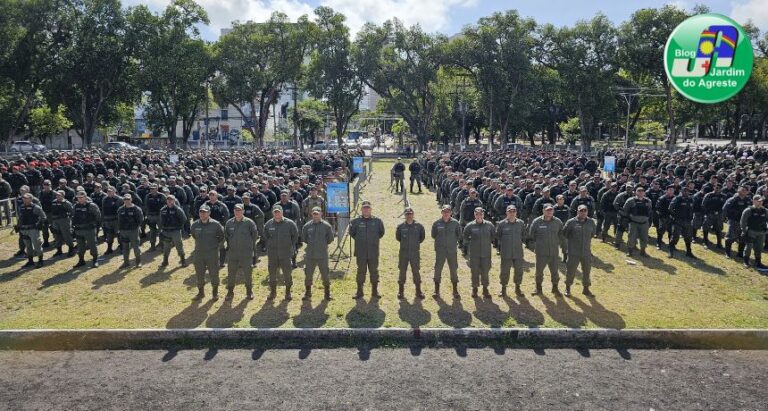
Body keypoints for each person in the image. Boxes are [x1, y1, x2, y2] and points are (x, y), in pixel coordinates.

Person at [349, 200, 385, 299]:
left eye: (368, 208)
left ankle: (375, 291)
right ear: (361, 209)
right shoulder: (355, 221)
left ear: (371, 209)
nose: (366, 210)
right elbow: (352, 233)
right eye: (364, 208)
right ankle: (359, 291)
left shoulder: (377, 221)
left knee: (374, 271)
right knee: (361, 271)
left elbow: (381, 233)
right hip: (361, 252)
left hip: (373, 251)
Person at [225, 203, 260, 300]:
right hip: (233, 253)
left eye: (239, 210)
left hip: (246, 252)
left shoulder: (249, 222)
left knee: (247, 272)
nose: (237, 212)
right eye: (236, 210)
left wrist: (249, 247)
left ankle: (249, 291)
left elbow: (254, 235)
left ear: (243, 211)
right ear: (233, 211)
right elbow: (227, 236)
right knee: (231, 272)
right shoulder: (229, 223)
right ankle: (230, 291)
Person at [528, 204, 564, 295]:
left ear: (553, 211)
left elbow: (561, 235)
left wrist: (560, 244)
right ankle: (538, 289)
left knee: (555, 271)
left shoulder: (557, 222)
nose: (549, 212)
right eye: (547, 210)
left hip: (554, 252)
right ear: (543, 211)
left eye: (551, 210)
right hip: (541, 252)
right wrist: (535, 248)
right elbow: (531, 236)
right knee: (539, 271)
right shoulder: (537, 222)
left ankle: (555, 288)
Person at [191, 205, 225, 300]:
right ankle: (201, 292)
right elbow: (194, 235)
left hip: (212, 253)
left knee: (214, 273)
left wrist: (214, 246)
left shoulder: (216, 224)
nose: (202, 214)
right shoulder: (195, 225)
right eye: (201, 212)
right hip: (199, 253)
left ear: (209, 213)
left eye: (205, 212)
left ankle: (215, 292)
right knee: (199, 273)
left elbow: (222, 237)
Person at [264, 205, 298, 300]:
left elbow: (295, 236)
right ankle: (273, 292)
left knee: (287, 273)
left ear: (282, 212)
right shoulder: (268, 224)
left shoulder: (290, 223)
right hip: (273, 254)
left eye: (278, 212)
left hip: (285, 253)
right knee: (272, 273)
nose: (277, 214)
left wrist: (289, 246)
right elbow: (265, 236)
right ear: (273, 213)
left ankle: (288, 292)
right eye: (275, 212)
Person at [301, 206, 335, 301]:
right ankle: (308, 293)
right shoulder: (307, 226)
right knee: (308, 274)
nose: (316, 215)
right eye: (314, 214)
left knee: (325, 274)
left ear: (321, 214)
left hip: (322, 255)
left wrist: (321, 245)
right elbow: (304, 238)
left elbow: (330, 239)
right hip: (310, 255)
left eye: (317, 214)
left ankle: (327, 294)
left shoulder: (326, 226)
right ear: (312, 214)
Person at [563, 205, 596, 297]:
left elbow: (592, 234)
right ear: (577, 212)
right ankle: (567, 288)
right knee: (571, 270)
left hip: (586, 252)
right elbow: (565, 233)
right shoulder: (571, 222)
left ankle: (586, 289)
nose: (583, 212)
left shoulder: (591, 222)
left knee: (587, 271)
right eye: (581, 211)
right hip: (573, 252)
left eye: (585, 211)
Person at [462, 207, 495, 298]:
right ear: (474, 215)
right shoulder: (470, 226)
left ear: (483, 215)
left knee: (485, 271)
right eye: (477, 214)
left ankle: (485, 289)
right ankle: (475, 289)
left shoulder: (489, 225)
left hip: (486, 253)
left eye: (481, 214)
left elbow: (493, 236)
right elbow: (465, 237)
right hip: (474, 254)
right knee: (474, 271)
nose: (479, 216)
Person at [431, 204, 462, 299]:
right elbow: (433, 235)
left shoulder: (456, 223)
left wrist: (451, 242)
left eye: (448, 212)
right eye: (444, 211)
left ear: (451, 213)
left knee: (453, 269)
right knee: (438, 269)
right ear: (441, 212)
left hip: (451, 250)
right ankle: (436, 290)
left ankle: (455, 290)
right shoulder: (437, 223)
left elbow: (459, 235)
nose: (446, 213)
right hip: (440, 250)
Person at [495, 205, 526, 297]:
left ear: (516, 213)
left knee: (519, 270)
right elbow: (498, 236)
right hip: (506, 251)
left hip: (518, 252)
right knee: (504, 270)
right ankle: (503, 288)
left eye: (513, 211)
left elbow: (523, 235)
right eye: (510, 212)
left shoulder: (521, 223)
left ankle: (518, 287)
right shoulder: (501, 224)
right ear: (506, 213)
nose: (512, 213)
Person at [395, 207, 426, 299]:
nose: (409, 215)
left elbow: (422, 238)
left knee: (416, 271)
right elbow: (398, 238)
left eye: (410, 214)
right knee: (402, 271)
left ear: (413, 214)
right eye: (407, 214)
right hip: (403, 253)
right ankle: (401, 291)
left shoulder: (419, 226)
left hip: (415, 253)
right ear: (404, 215)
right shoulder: (400, 227)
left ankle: (418, 291)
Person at [16, 193, 46, 268]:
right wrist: (18, 226)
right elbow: (20, 218)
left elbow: (43, 217)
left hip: (33, 230)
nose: (24, 199)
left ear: (31, 199)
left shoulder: (36, 207)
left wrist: (38, 224)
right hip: (24, 230)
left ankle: (40, 260)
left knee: (37, 245)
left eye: (26, 198)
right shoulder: (21, 207)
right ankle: (30, 261)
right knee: (28, 246)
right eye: (24, 198)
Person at [71, 191, 101, 268]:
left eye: (81, 197)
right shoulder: (75, 206)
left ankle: (95, 260)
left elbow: (98, 216)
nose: (79, 199)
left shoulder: (91, 206)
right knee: (80, 246)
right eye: (78, 198)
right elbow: (73, 216)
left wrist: (95, 227)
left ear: (85, 197)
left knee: (92, 245)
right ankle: (81, 260)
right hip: (79, 230)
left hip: (89, 229)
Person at [624, 186, 653, 257]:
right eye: (639, 191)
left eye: (642, 191)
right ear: (635, 192)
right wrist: (630, 218)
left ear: (644, 192)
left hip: (644, 223)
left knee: (644, 237)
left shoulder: (648, 201)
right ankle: (630, 251)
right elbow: (625, 210)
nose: (641, 192)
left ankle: (643, 251)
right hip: (633, 222)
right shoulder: (630, 200)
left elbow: (649, 210)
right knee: (631, 237)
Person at [740, 195, 768, 269]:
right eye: (758, 201)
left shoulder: (765, 211)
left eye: (761, 201)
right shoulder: (748, 210)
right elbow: (743, 222)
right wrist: (744, 231)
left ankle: (758, 262)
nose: (760, 202)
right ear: (754, 201)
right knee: (748, 247)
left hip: (761, 232)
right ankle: (746, 261)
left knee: (759, 248)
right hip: (751, 231)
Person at [723, 186, 751, 258]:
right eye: (742, 190)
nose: (743, 191)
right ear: (739, 190)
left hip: (744, 222)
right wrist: (727, 218)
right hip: (733, 221)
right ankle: (727, 252)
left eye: (745, 190)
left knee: (743, 238)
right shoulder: (733, 199)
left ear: (747, 192)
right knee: (729, 237)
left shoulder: (748, 200)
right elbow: (725, 209)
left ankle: (740, 253)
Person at [158, 195, 187, 267]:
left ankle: (183, 260)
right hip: (166, 231)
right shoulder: (163, 210)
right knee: (166, 247)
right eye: (168, 200)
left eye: (171, 200)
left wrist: (178, 227)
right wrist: (162, 230)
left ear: (174, 201)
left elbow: (184, 219)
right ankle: (165, 261)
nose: (169, 201)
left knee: (179, 245)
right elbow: (161, 220)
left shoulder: (178, 209)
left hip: (175, 231)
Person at [116, 194, 143, 268]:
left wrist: (136, 228)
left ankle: (138, 262)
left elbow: (141, 220)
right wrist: (119, 230)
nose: (126, 201)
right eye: (125, 200)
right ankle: (126, 262)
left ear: (131, 199)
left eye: (128, 199)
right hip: (124, 231)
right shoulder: (120, 209)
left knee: (136, 247)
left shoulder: (136, 209)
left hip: (133, 231)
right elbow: (119, 220)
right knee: (125, 248)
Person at [669, 187, 695, 258]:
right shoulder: (677, 199)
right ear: (681, 191)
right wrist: (675, 216)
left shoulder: (691, 199)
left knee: (688, 237)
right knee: (675, 236)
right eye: (684, 191)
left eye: (687, 191)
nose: (686, 192)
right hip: (678, 221)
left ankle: (689, 252)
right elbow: (670, 208)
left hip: (687, 221)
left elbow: (692, 209)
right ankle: (671, 252)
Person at [49, 190, 75, 257]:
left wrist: (70, 221)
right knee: (57, 235)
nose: (57, 196)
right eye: (57, 195)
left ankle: (71, 249)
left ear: (63, 196)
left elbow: (72, 212)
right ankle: (59, 250)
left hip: (64, 221)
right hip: (55, 221)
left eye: (59, 195)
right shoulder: (53, 202)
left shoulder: (66, 203)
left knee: (67, 235)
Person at [241, 192, 264, 266]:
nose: (245, 200)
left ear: (249, 199)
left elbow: (261, 215)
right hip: (242, 228)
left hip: (251, 228)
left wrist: (254, 219)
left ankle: (254, 261)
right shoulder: (240, 207)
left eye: (247, 199)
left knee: (252, 245)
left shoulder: (254, 207)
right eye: (244, 199)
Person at [144, 184, 166, 251]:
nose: (152, 190)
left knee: (161, 231)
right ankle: (152, 246)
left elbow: (165, 206)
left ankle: (162, 244)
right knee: (152, 231)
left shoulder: (162, 196)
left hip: (160, 216)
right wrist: (147, 216)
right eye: (151, 189)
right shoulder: (148, 196)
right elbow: (146, 206)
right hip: (151, 216)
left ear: (157, 189)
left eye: (153, 188)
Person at [101, 187, 122, 255]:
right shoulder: (104, 199)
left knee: (119, 234)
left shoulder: (119, 199)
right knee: (109, 235)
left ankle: (122, 248)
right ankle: (109, 248)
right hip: (107, 220)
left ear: (114, 191)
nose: (109, 192)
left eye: (111, 191)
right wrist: (103, 220)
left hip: (116, 220)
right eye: (108, 191)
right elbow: (103, 210)